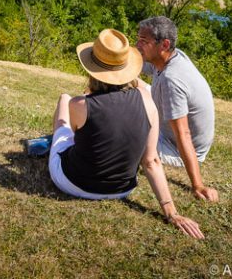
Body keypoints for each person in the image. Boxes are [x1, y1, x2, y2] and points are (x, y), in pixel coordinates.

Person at [48, 28, 204, 238]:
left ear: (91, 68)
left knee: (64, 100)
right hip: (122, 189)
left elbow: (76, 138)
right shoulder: (148, 102)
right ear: (126, 68)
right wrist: (171, 212)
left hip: (74, 183)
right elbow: (151, 162)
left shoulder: (79, 104)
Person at [136, 16, 218, 203]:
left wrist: (197, 185)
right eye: (138, 38)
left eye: (143, 41)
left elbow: (183, 133)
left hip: (176, 150)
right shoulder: (172, 56)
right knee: (133, 87)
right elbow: (138, 65)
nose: (137, 44)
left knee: (126, 132)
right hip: (169, 133)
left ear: (164, 44)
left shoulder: (171, 80)